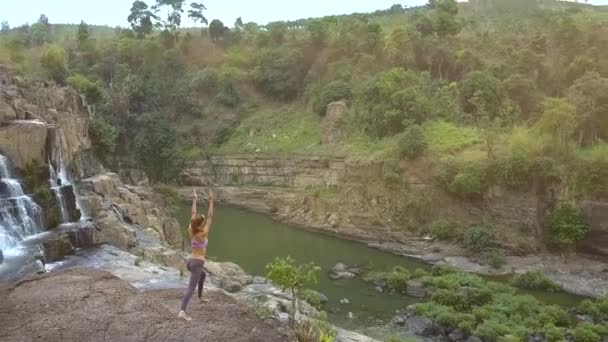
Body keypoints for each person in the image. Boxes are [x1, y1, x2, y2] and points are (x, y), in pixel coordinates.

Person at [178, 188, 214, 321]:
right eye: (203, 220)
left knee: (202, 275)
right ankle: (182, 311)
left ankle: (200, 297)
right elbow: (210, 216)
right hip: (197, 263)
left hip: (191, 261)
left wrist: (194, 199)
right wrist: (211, 202)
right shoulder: (202, 234)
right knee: (190, 287)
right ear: (201, 223)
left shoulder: (191, 229)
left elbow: (193, 213)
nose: (205, 220)